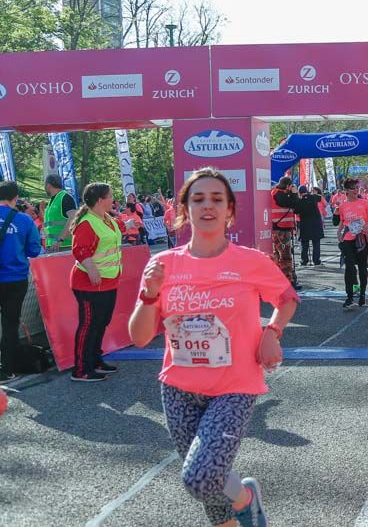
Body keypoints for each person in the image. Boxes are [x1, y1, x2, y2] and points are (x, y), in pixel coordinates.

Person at [128, 167, 299, 527]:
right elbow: (139, 337)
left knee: (201, 478)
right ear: (184, 209)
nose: (208, 205)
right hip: (178, 389)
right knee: (212, 493)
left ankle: (246, 497)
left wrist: (272, 331)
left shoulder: (250, 261)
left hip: (233, 388)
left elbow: (286, 299)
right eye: (199, 199)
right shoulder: (162, 264)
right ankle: (238, 513)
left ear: (229, 209)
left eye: (217, 199)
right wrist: (149, 295)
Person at [69, 183, 124, 382]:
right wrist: (91, 269)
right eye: (110, 196)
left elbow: (114, 236)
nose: (113, 199)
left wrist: (128, 225)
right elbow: (80, 249)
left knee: (101, 323)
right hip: (89, 283)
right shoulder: (87, 223)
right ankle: (81, 369)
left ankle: (95, 360)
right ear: (100, 200)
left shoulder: (106, 218)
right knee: (89, 325)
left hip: (108, 280)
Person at [0, 182, 43, 382]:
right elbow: (34, 250)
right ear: (15, 198)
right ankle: (6, 370)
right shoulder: (24, 220)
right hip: (14, 279)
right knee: (10, 323)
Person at [337, 178, 368, 308]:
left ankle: (362, 295)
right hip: (348, 239)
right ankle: (349, 297)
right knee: (349, 268)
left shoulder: (365, 203)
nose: (356, 190)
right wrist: (339, 232)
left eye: (357, 188)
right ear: (347, 191)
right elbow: (342, 221)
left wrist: (367, 226)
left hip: (362, 239)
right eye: (353, 188)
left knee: (362, 267)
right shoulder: (343, 205)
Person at [270, 177, 300, 290]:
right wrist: (294, 194)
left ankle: (283, 279)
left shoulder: (278, 193)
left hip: (282, 228)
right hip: (280, 229)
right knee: (285, 256)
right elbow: (294, 204)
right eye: (291, 186)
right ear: (287, 186)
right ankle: (288, 281)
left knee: (279, 255)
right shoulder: (279, 194)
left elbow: (295, 208)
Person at [43, 174, 77, 251]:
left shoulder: (65, 197)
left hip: (64, 245)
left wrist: (60, 239)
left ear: (48, 185)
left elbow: (73, 219)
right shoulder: (53, 200)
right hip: (53, 245)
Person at [296, 185, 324, 267]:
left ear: (299, 193)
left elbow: (296, 212)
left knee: (304, 243)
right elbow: (320, 197)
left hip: (305, 223)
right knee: (316, 243)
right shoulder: (313, 197)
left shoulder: (299, 201)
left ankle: (304, 261)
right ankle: (316, 261)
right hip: (316, 223)